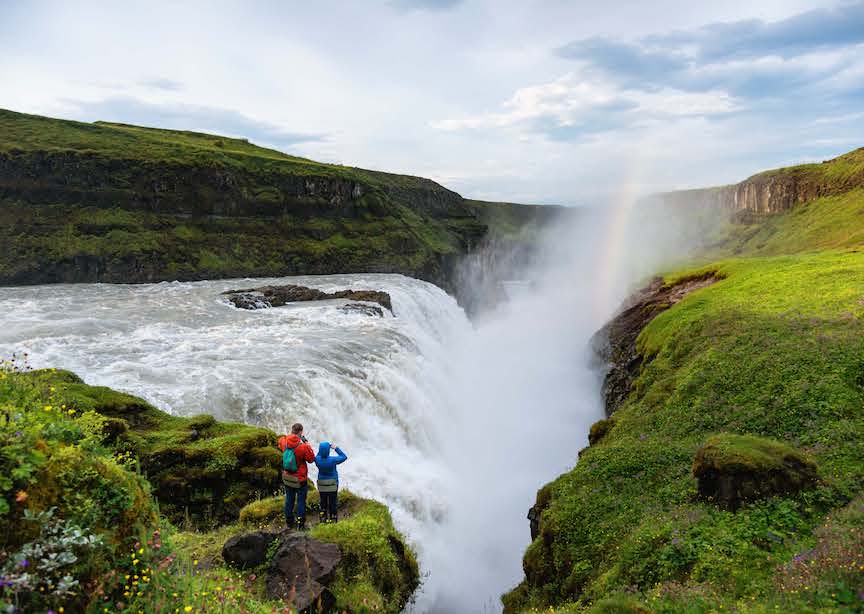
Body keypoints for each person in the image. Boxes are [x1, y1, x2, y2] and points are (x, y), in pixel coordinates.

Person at [278, 423, 315, 531]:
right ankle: (300, 524)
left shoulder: (284, 441)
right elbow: (311, 459)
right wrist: (307, 444)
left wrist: (288, 438)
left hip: (287, 477)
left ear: (292, 431)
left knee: (289, 500)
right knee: (301, 501)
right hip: (300, 479)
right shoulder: (302, 447)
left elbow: (279, 441)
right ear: (300, 432)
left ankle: (289, 523)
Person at [314, 441, 347, 523]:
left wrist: (322, 449)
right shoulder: (333, 460)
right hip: (332, 484)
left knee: (323, 501)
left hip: (322, 485)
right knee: (333, 502)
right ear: (328, 451)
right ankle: (333, 518)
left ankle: (323, 518)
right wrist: (335, 448)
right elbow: (344, 456)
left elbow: (319, 454)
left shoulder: (317, 459)